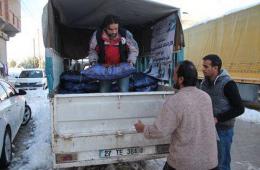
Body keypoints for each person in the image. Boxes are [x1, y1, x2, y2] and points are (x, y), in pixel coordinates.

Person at [135, 60, 218, 170]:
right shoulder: (206, 97)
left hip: (185, 164)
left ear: (181, 79)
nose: (173, 77)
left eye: (174, 74)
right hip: (210, 162)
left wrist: (143, 128)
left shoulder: (175, 100)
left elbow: (160, 130)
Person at [200, 54, 245, 170]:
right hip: (208, 129)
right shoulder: (203, 84)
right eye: (203, 66)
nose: (203, 69)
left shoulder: (228, 84)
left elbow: (240, 108)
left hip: (223, 130)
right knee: (208, 161)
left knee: (222, 163)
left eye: (206, 66)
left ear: (215, 68)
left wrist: (217, 118)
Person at [88, 15, 139, 92]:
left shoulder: (125, 34)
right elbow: (92, 50)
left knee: (124, 91)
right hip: (104, 69)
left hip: (122, 68)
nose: (114, 32)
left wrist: (131, 62)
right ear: (105, 27)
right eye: (110, 29)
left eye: (116, 29)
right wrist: (93, 62)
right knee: (103, 91)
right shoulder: (97, 35)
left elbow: (134, 50)